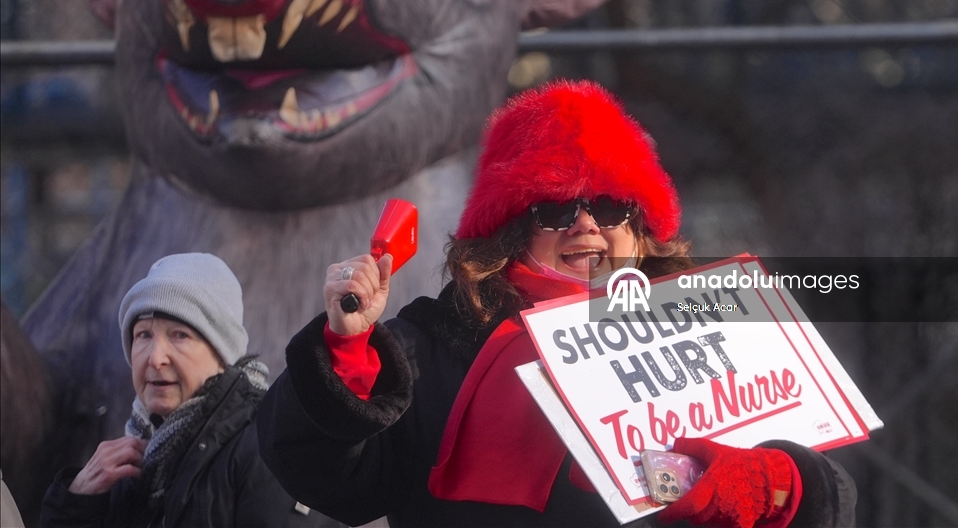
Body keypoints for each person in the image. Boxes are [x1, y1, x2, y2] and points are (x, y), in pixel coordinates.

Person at [257, 81, 857, 527]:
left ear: (640, 228)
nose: (586, 225)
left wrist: (773, 487)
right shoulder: (433, 347)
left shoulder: (712, 327)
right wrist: (347, 353)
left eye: (611, 205)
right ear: (509, 230)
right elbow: (328, 478)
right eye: (556, 208)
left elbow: (831, 491)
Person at [39, 253, 340, 528]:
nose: (155, 358)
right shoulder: (130, 460)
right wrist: (76, 503)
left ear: (222, 354)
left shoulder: (270, 447)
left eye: (179, 335)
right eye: (143, 335)